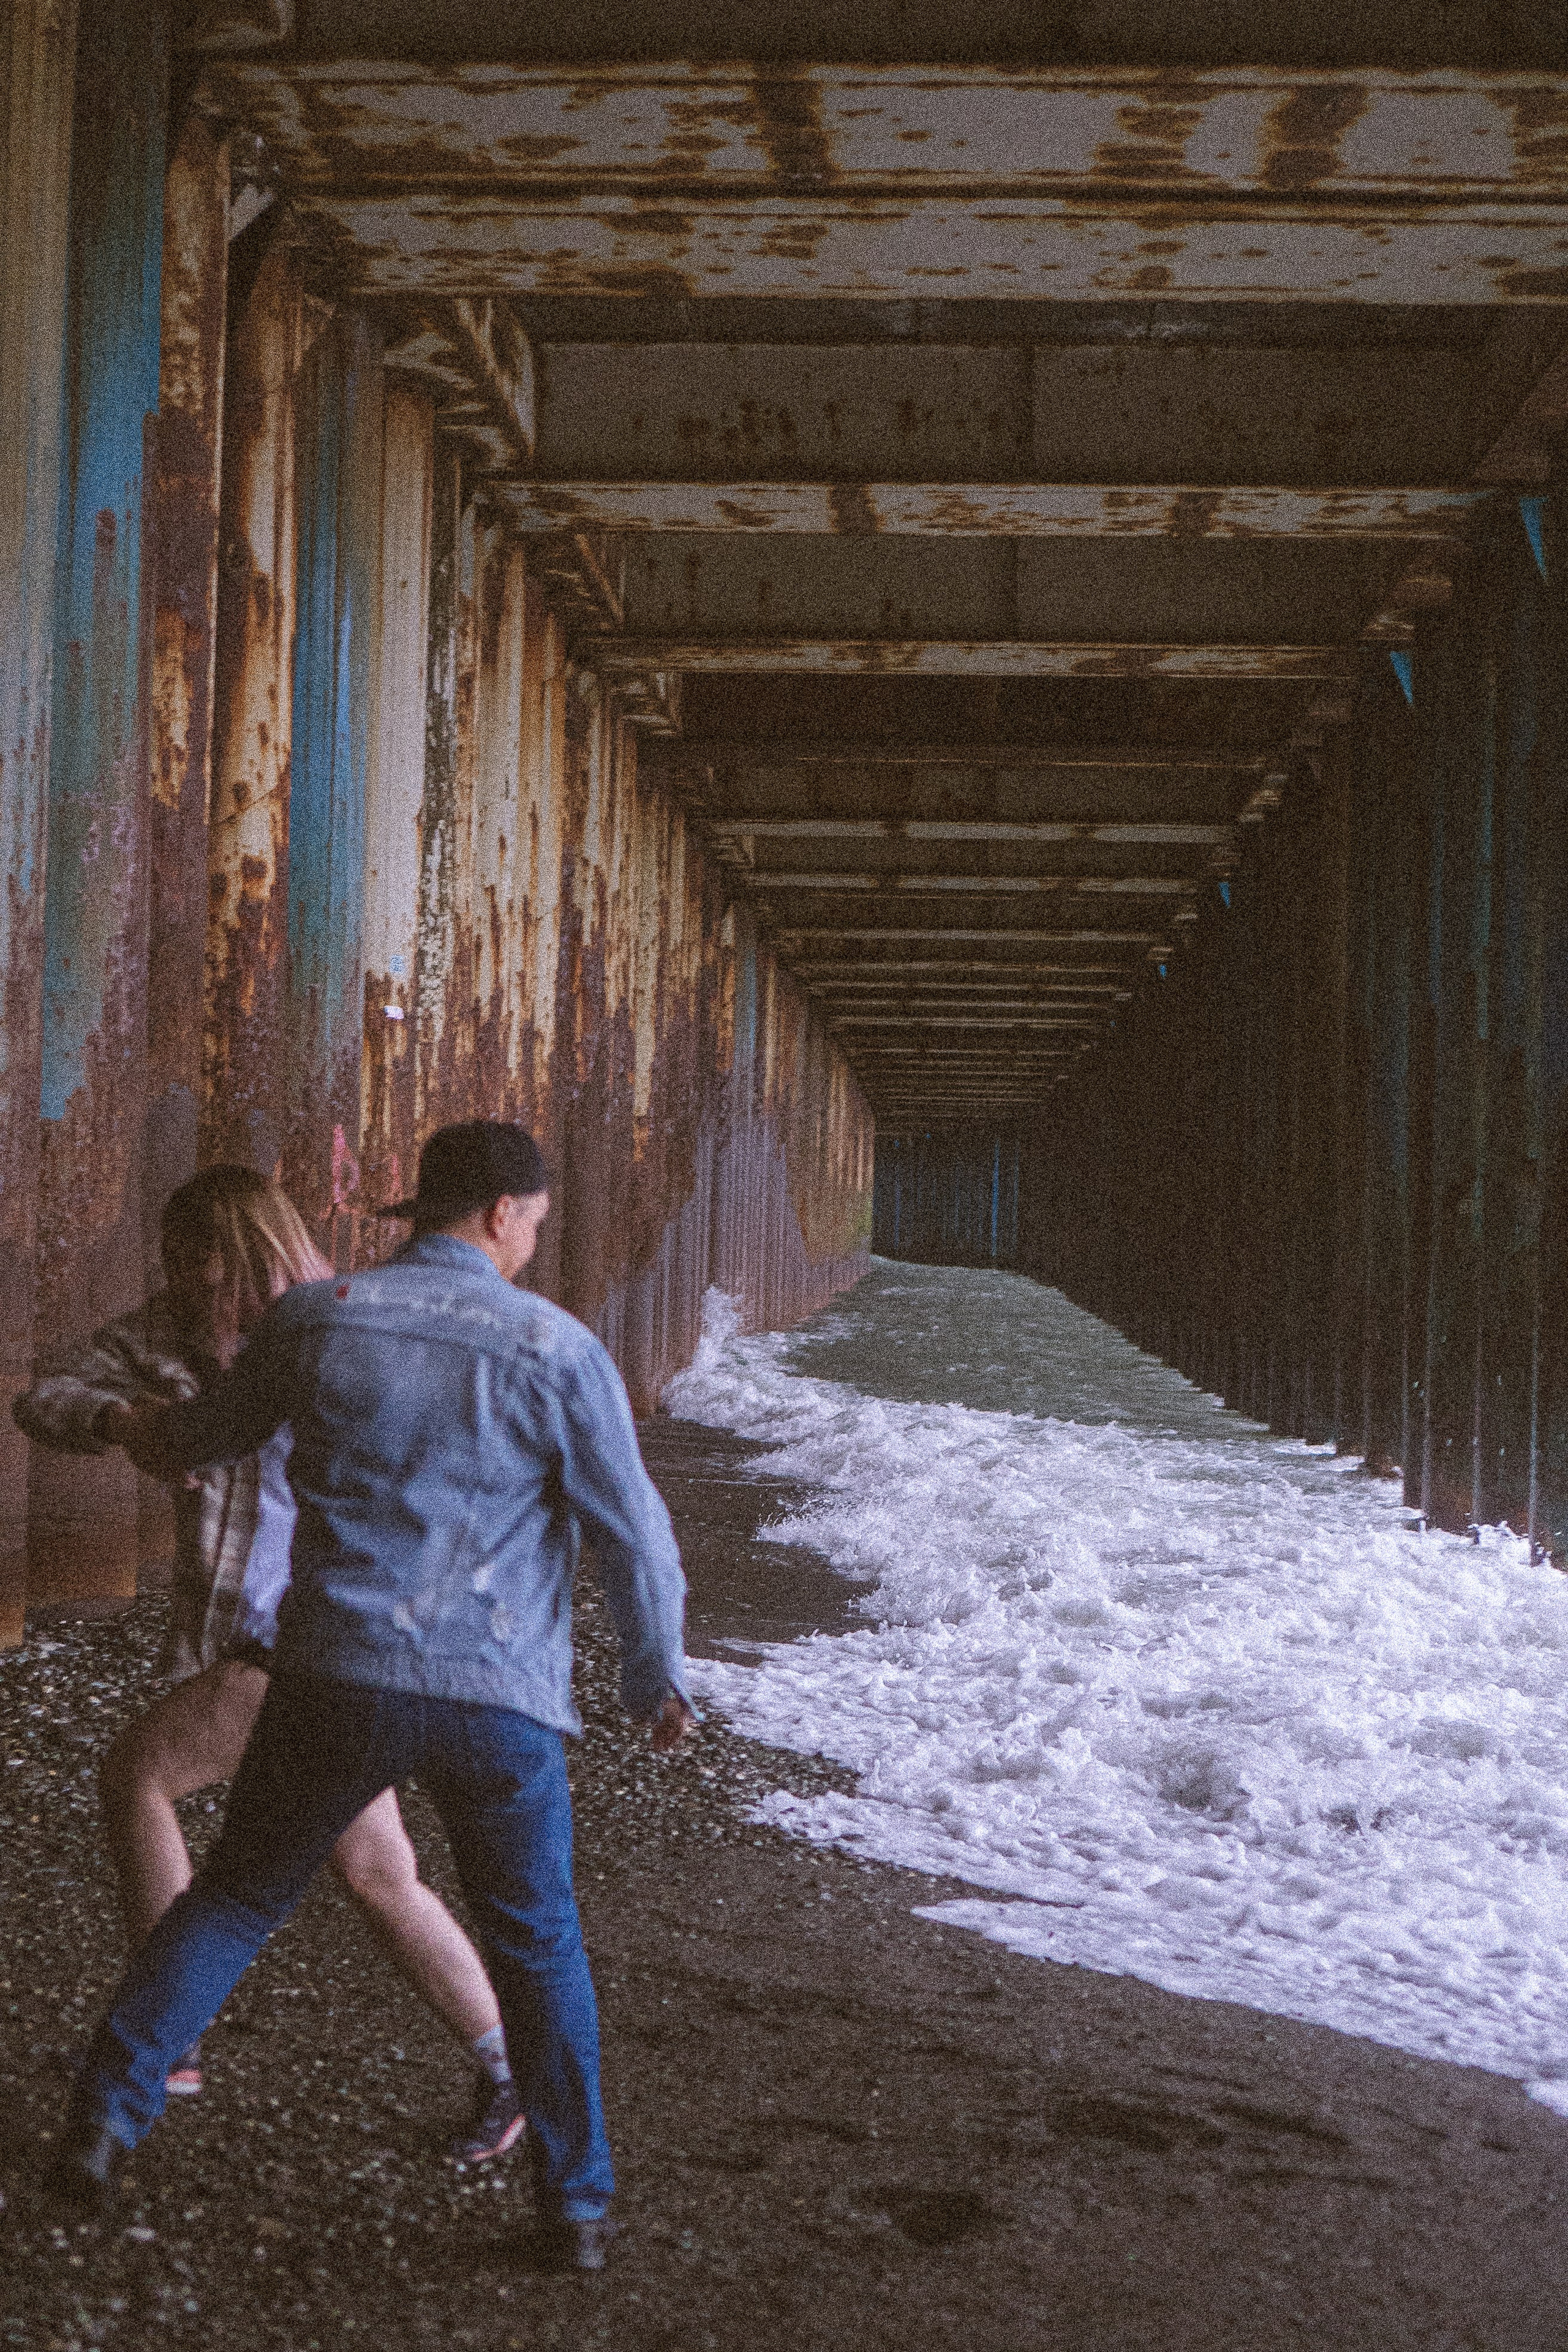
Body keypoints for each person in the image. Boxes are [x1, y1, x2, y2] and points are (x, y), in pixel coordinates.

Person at [48, 1122, 695, 2274]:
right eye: (534, 1224)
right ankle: (577, 2208)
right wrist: (656, 1680)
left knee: (237, 1898)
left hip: (332, 1677)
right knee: (538, 1941)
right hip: (497, 1693)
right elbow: (634, 1538)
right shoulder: (556, 1349)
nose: (531, 1243)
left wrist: (126, 1423)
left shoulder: (317, 1318)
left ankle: (103, 2123)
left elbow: (203, 1437)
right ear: (502, 1214)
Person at [15, 1166, 522, 2162]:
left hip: (309, 1637)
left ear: (246, 1249)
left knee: (139, 1776)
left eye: (200, 1260)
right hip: (306, 1645)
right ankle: (513, 2068)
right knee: (378, 1873)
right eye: (174, 1261)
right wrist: (125, 1421)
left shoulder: (337, 1326)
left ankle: (167, 2038)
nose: (184, 1279)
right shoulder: (166, 1335)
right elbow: (45, 1394)